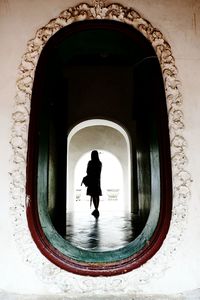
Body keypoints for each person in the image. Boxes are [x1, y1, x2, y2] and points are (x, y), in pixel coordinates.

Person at [86, 150, 102, 218]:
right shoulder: (99, 163)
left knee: (92, 195)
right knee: (97, 195)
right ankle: (96, 209)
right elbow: (99, 172)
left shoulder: (90, 162)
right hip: (97, 181)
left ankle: (95, 209)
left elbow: (87, 171)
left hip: (91, 181)